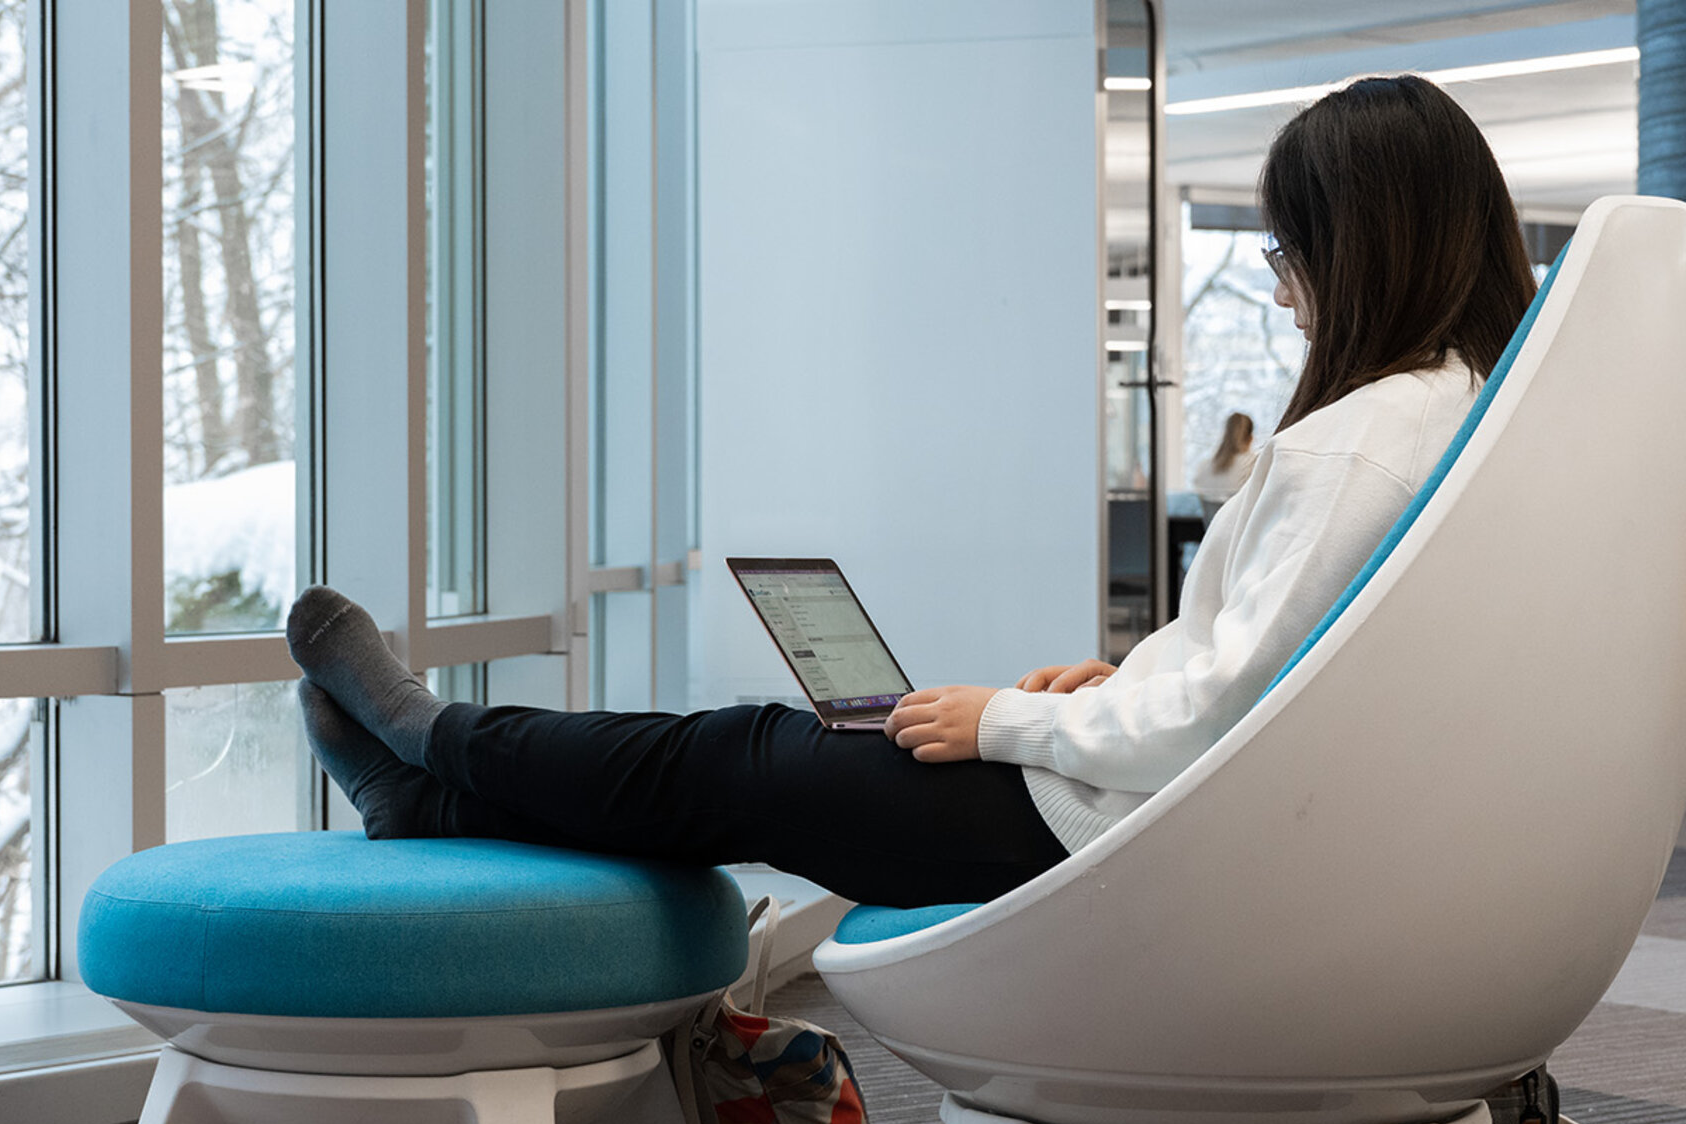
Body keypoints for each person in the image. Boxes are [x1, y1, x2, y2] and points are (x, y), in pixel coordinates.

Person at [287, 74, 1537, 910]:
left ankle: (436, 742)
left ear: (1356, 251)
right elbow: (1268, 678)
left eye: (1287, 257)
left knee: (746, 756)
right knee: (755, 765)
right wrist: (1129, 683)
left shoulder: (1350, 449)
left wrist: (1005, 722)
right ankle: (435, 794)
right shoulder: (1457, 417)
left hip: (1123, 839)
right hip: (1194, 819)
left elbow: (1221, 720)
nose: (1279, 292)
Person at [1195, 411, 1256, 505]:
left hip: (1212, 519)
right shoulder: (1253, 464)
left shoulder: (1204, 466)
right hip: (1241, 519)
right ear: (1251, 438)